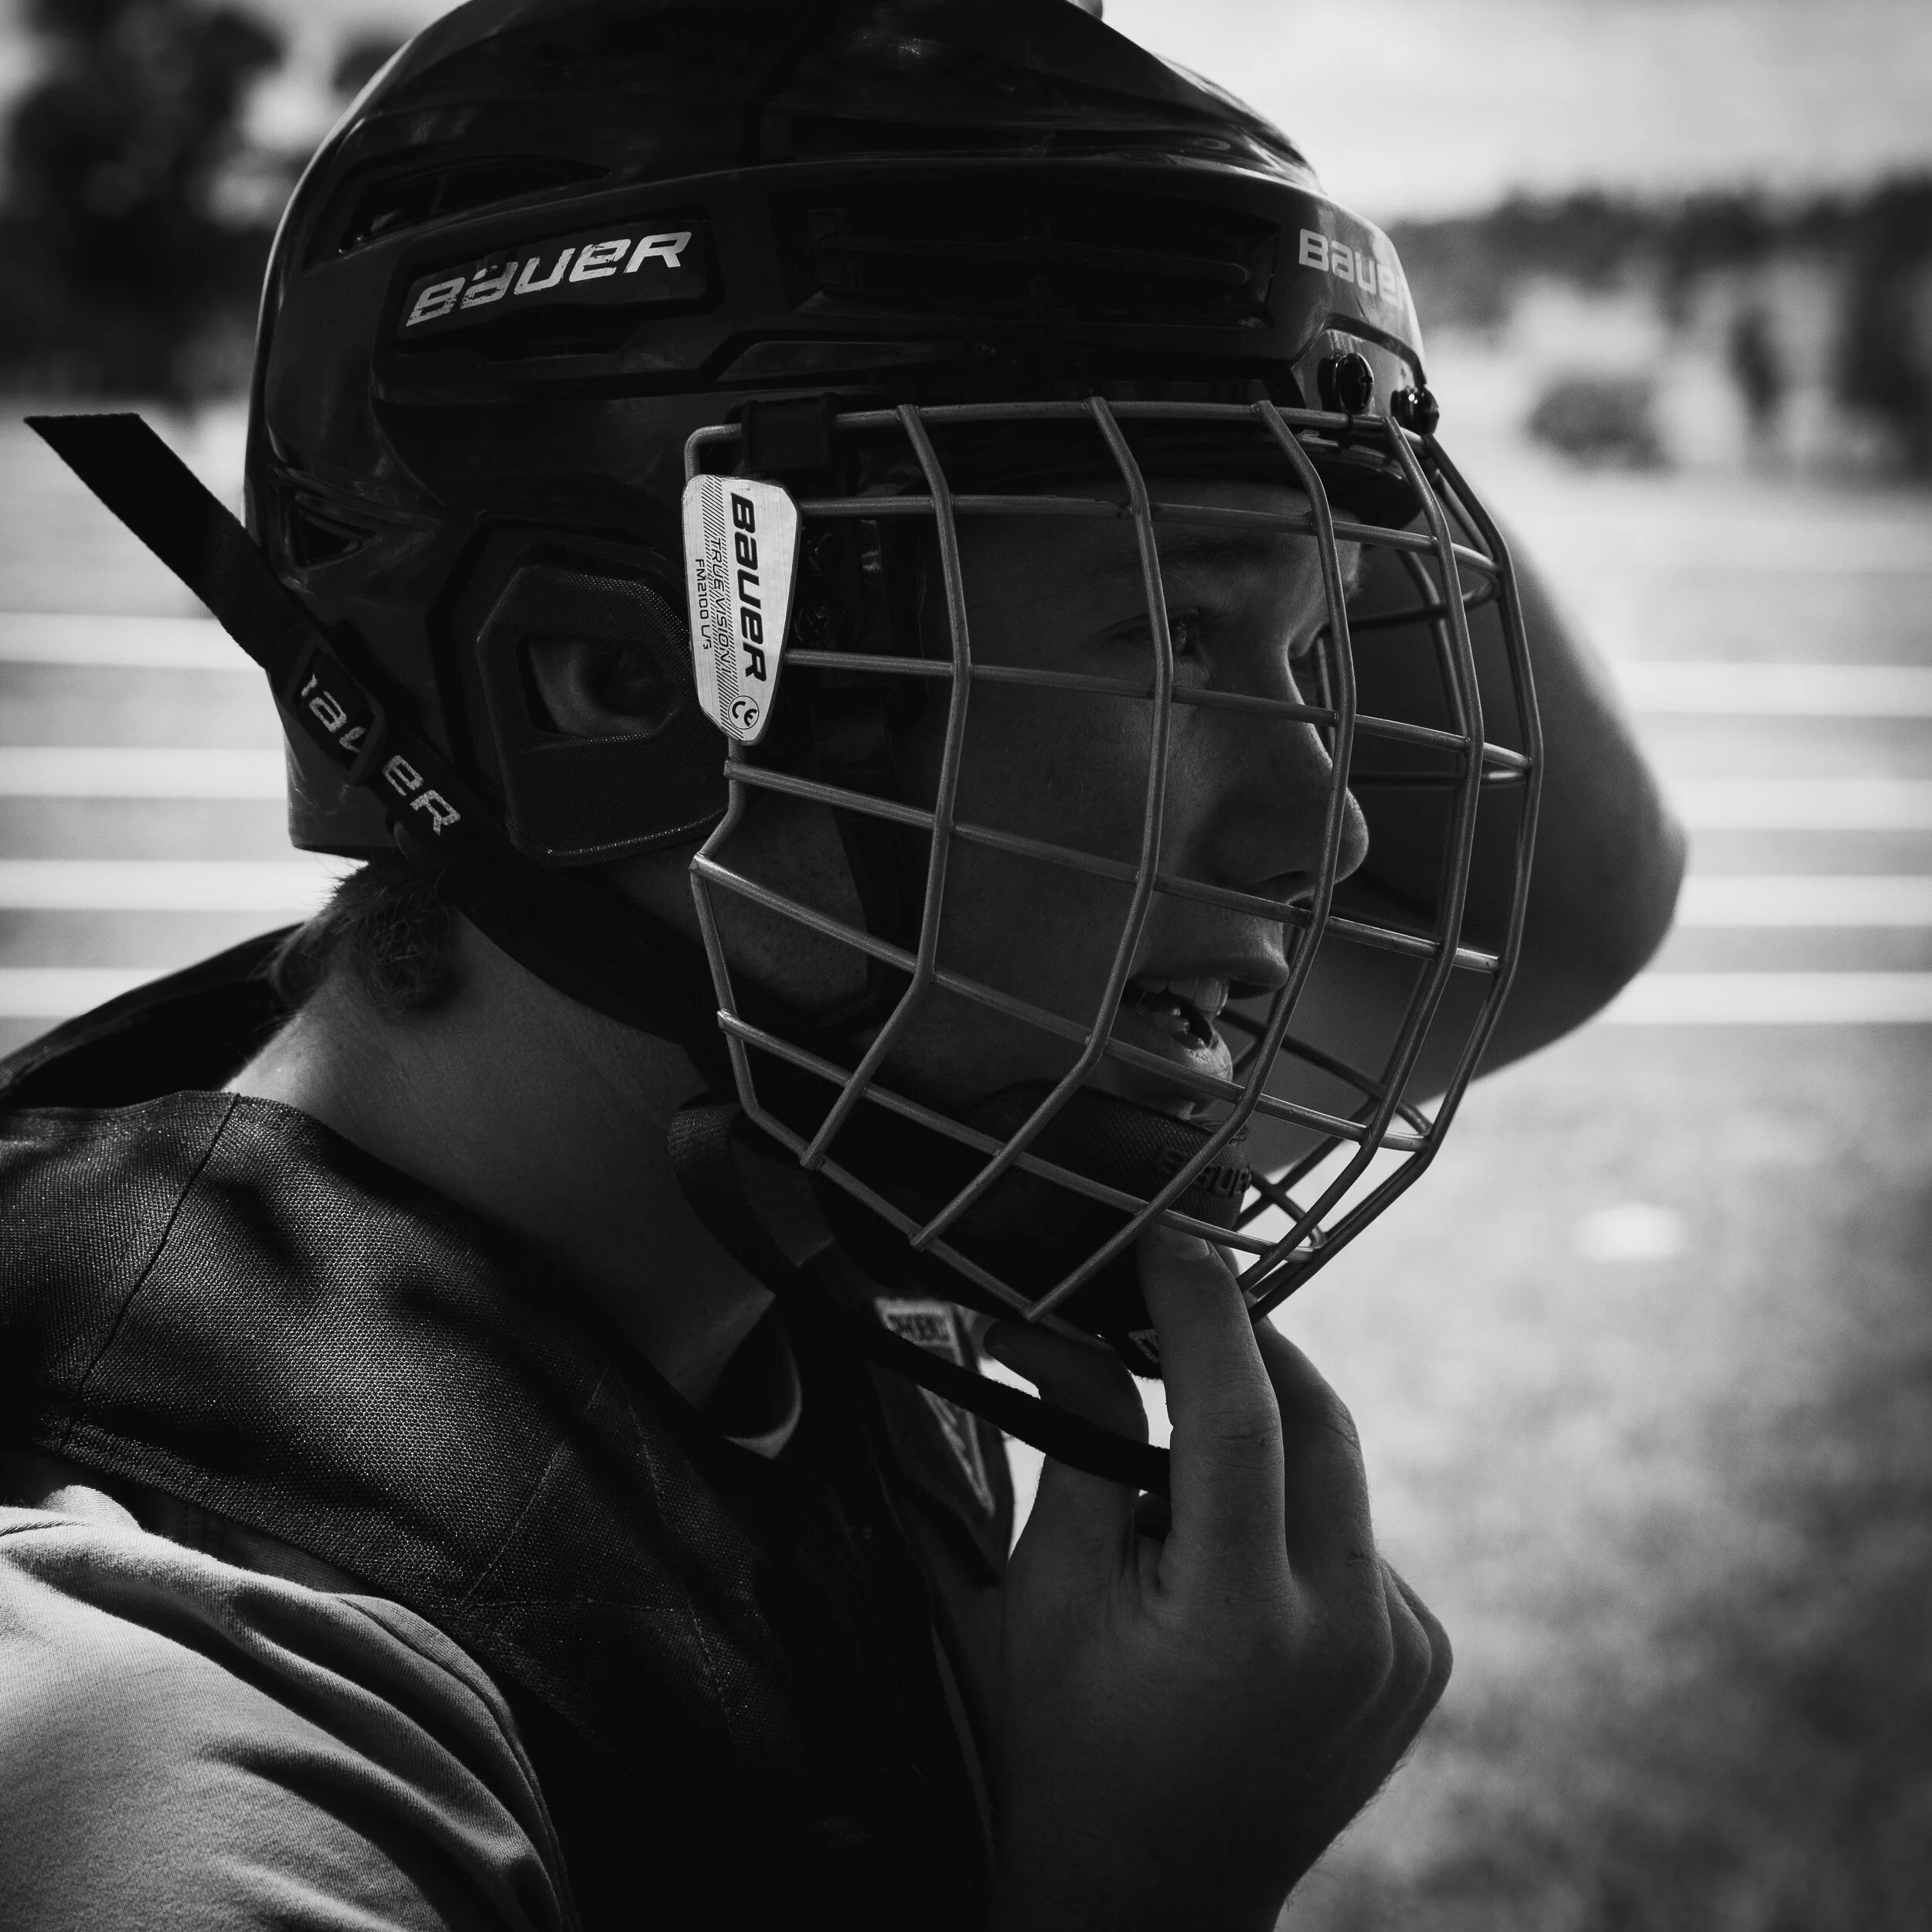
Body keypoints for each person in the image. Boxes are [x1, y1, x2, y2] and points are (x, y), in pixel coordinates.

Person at [0, 2, 1682, 1927]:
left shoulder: (811, 1145)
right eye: (1172, 637)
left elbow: (1564, 905)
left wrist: (1275, 357)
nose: (1332, 826)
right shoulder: (183, 1730)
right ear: (609, 684)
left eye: (1307, 657)